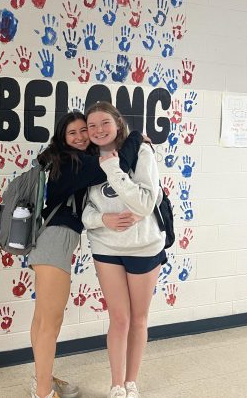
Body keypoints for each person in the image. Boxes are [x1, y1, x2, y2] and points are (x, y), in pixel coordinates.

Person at [29, 110, 145, 398]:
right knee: (50, 323)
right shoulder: (71, 162)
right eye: (73, 133)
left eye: (84, 130)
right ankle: (43, 393)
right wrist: (134, 136)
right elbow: (121, 163)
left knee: (41, 319)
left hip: (50, 242)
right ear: (63, 138)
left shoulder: (66, 161)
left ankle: (42, 380)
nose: (81, 136)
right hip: (55, 243)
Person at [82, 102, 166, 398]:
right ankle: (117, 385)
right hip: (106, 246)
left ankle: (132, 382)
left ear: (117, 123)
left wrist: (114, 170)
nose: (98, 130)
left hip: (143, 246)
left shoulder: (142, 152)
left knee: (138, 318)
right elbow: (85, 212)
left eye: (104, 122)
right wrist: (102, 218)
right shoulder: (87, 161)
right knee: (119, 318)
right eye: (92, 126)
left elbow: (145, 203)